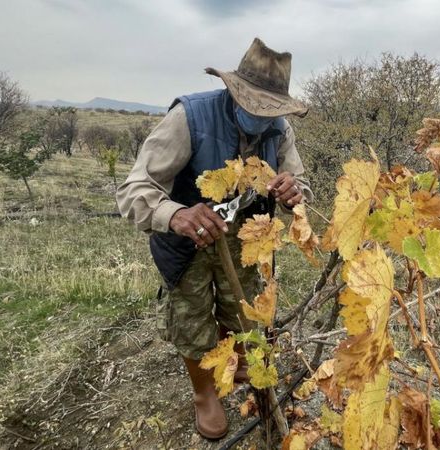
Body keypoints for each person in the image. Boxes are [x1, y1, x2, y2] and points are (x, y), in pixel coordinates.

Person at [115, 38, 313, 439]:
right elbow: (134, 188)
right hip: (187, 237)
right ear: (233, 91)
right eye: (254, 105)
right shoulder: (190, 117)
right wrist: (176, 214)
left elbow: (301, 181)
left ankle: (236, 359)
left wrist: (295, 193)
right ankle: (205, 393)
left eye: (269, 110)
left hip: (247, 237)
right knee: (191, 318)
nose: (262, 116)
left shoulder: (280, 130)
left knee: (244, 307)